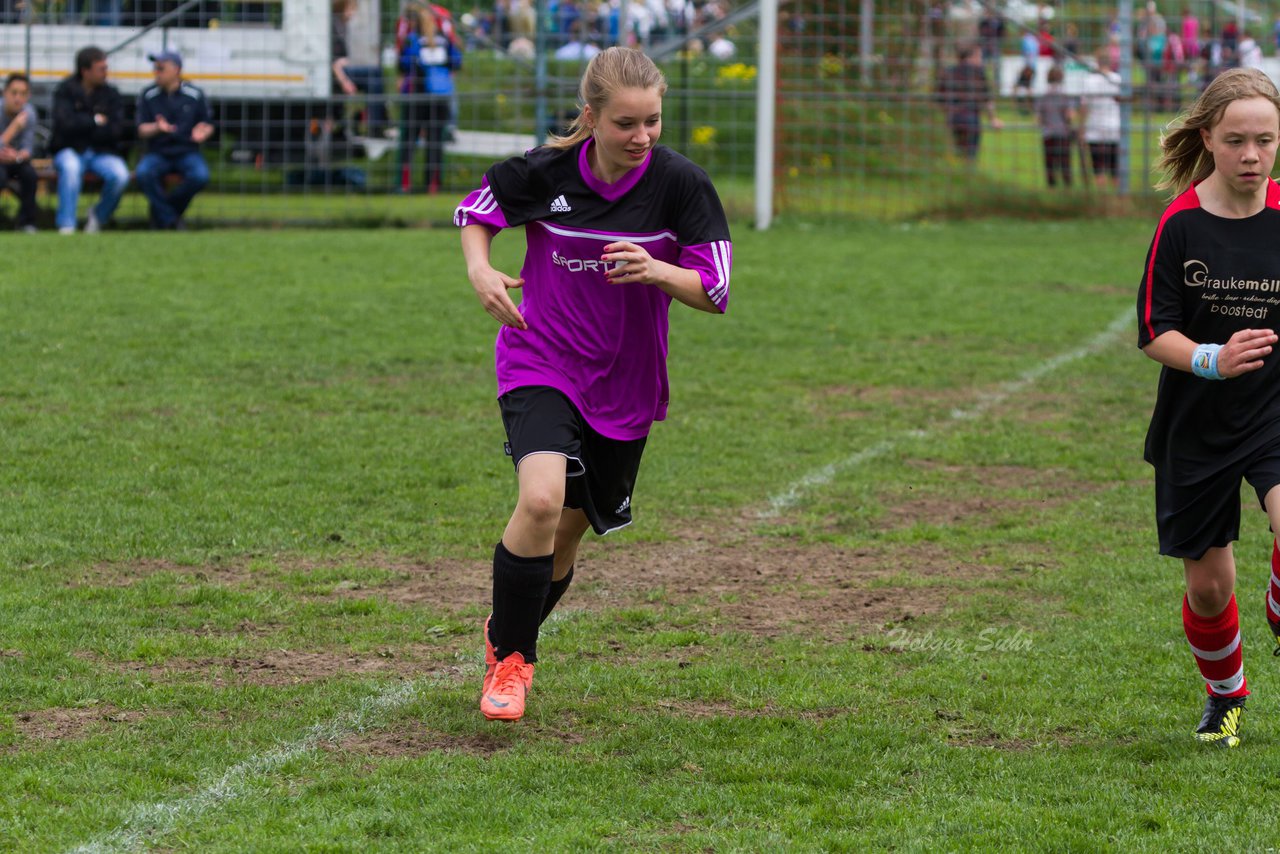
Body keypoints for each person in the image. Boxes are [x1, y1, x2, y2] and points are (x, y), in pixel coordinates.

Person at [453, 47, 732, 723]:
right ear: (592, 117)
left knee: (571, 531)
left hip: (627, 383)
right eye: (626, 123)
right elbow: (478, 211)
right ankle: (514, 662)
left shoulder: (680, 185)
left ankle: (506, 630)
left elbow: (715, 288)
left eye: (653, 122)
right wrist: (481, 270)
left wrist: (659, 270)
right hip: (539, 359)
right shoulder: (546, 172)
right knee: (542, 502)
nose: (641, 137)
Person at [1137, 67, 1280, 749]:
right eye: (1236, 142)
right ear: (1207, 139)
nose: (1251, 157)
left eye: (1265, 141)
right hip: (1198, 420)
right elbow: (1153, 330)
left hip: (1275, 409)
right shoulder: (1181, 224)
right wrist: (1212, 359)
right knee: (1209, 592)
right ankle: (1226, 694)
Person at [50, 45, 129, 235]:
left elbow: (116, 129)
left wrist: (83, 125)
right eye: (101, 68)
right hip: (70, 150)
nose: (105, 72)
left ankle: (98, 216)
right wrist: (95, 121)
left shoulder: (111, 94)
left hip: (102, 152)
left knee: (120, 175)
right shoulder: (65, 91)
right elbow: (64, 126)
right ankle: (67, 225)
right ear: (85, 71)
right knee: (70, 168)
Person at [135, 50, 215, 230]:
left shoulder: (194, 94)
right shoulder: (148, 95)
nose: (156, 72)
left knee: (200, 176)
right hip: (158, 152)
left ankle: (164, 214)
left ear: (176, 70)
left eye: (161, 68)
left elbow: (208, 124)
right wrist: (156, 128)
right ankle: (171, 219)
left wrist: (203, 132)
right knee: (143, 174)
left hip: (187, 151)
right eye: (155, 68)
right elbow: (141, 129)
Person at [399, 5, 461, 194]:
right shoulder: (444, 40)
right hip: (440, 95)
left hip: (416, 94)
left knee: (409, 139)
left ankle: (404, 184)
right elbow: (456, 61)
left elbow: (403, 64)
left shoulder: (412, 40)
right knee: (435, 141)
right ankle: (432, 185)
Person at [936, 43, 1003, 163]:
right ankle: (968, 176)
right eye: (980, 56)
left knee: (957, 155)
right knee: (970, 157)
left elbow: (940, 98)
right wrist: (993, 119)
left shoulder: (948, 72)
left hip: (953, 119)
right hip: (971, 119)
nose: (981, 60)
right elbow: (987, 99)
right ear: (973, 56)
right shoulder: (978, 72)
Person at [331, 0, 389, 138]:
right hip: (336, 74)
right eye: (350, 9)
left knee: (375, 78)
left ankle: (377, 124)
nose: (352, 14)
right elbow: (331, 62)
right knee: (374, 74)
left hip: (343, 71)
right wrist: (345, 81)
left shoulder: (341, 25)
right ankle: (378, 124)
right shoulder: (332, 25)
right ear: (342, 8)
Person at [0, 73, 38, 233]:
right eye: (14, 93)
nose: (18, 98)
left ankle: (26, 223)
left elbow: (28, 149)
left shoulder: (29, 114)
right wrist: (14, 127)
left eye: (23, 94)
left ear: (28, 96)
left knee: (29, 175)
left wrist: (16, 156)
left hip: (14, 159)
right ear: (4, 93)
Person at [1080, 48, 1123, 190]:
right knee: (1115, 169)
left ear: (1097, 62)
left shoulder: (1089, 81)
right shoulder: (1117, 79)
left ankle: (1103, 200)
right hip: (1114, 128)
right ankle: (1119, 200)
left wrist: (1081, 128)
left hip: (1095, 129)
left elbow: (1084, 107)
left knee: (1099, 169)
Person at [1034, 64, 1076, 187]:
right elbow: (1070, 115)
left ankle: (1052, 190)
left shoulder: (1043, 95)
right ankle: (1068, 189)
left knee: (1050, 165)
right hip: (1063, 133)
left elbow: (1038, 118)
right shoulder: (1065, 95)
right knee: (1065, 164)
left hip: (1048, 134)